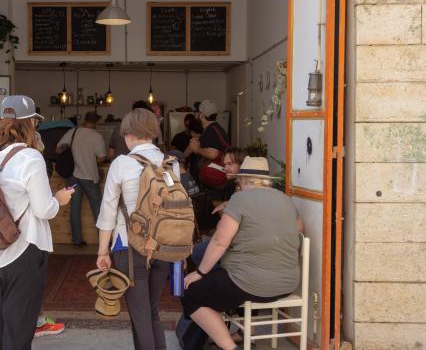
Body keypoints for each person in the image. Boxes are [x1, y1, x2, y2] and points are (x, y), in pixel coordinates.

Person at [0, 95, 74, 350]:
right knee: (19, 330)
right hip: (23, 249)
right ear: (30, 123)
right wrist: (59, 199)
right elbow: (44, 209)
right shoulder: (30, 157)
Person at [181, 157, 304, 350]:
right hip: (287, 284)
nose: (237, 183)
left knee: (191, 293)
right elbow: (298, 231)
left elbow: (220, 241)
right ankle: (245, 333)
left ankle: (230, 347)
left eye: (239, 180)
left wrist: (200, 273)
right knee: (230, 276)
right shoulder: (286, 200)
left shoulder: (239, 200)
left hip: (250, 285)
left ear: (245, 180)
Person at [96, 108, 179, 350]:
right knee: (151, 312)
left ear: (129, 134)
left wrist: (103, 252)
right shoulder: (170, 164)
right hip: (163, 245)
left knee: (140, 315)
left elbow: (108, 212)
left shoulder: (121, 164)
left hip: (129, 247)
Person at [56, 111, 107, 247]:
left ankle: (78, 241)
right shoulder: (96, 136)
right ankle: (103, 241)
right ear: (96, 123)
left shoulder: (73, 132)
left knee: (75, 208)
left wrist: (71, 154)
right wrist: (90, 160)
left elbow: (58, 149)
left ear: (85, 120)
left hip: (73, 176)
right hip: (90, 176)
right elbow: (102, 157)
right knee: (97, 208)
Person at [188, 100, 230, 182]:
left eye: (198, 112)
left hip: (212, 182)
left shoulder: (211, 130)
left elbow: (212, 154)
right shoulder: (216, 128)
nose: (196, 114)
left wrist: (197, 149)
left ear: (201, 116)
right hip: (214, 179)